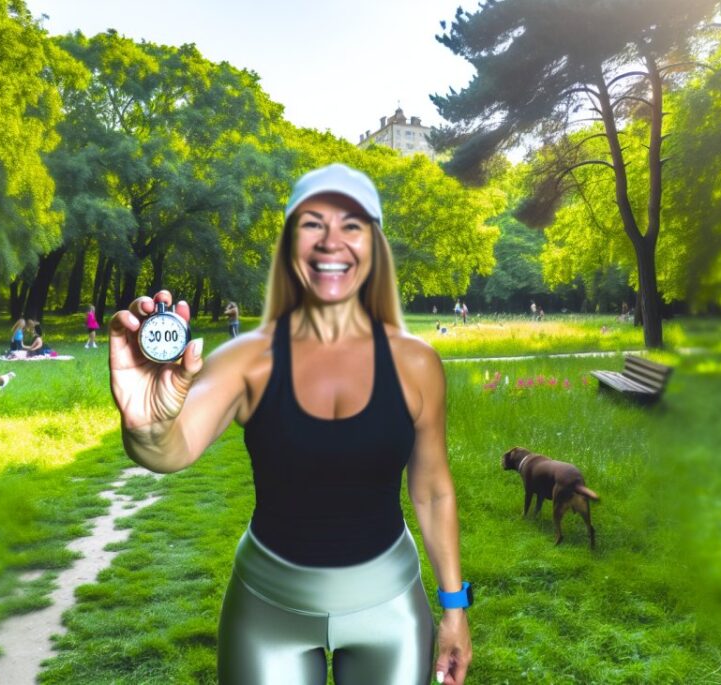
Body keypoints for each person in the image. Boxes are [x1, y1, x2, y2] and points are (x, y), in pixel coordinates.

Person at [109, 163, 471, 685]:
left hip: (390, 608)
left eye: (351, 225)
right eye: (311, 224)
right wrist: (146, 426)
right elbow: (173, 449)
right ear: (287, 245)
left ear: (375, 245)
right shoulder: (246, 360)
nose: (331, 242)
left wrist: (454, 608)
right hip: (267, 609)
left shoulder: (417, 365)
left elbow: (434, 492)